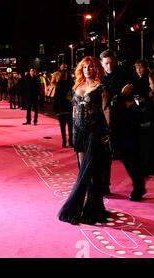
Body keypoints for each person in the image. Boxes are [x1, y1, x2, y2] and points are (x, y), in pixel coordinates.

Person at [58, 56, 111, 225]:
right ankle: (95, 208)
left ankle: (74, 207)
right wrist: (73, 134)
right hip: (79, 132)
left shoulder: (101, 87)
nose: (88, 70)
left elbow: (106, 109)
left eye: (91, 67)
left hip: (95, 131)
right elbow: (74, 110)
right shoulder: (77, 86)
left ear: (96, 69)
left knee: (88, 169)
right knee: (85, 170)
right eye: (85, 67)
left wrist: (110, 131)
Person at [100, 50, 146, 200]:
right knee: (104, 155)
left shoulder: (126, 73)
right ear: (102, 64)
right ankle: (104, 185)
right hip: (106, 121)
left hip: (125, 122)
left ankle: (139, 187)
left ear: (116, 61)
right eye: (106, 63)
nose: (110, 65)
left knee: (128, 155)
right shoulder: (100, 78)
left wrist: (130, 96)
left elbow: (141, 88)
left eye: (112, 62)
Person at [53, 68, 74, 148]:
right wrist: (55, 107)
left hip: (69, 107)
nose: (65, 76)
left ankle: (71, 141)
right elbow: (56, 96)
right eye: (64, 74)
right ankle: (64, 141)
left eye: (67, 74)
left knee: (70, 126)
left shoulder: (72, 84)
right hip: (61, 107)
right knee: (62, 126)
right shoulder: (59, 84)